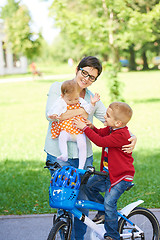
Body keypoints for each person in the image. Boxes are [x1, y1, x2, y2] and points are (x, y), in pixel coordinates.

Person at [44, 56, 137, 240]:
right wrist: (85, 112)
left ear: (94, 79)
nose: (86, 78)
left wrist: (133, 136)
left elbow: (114, 123)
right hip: (57, 154)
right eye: (84, 72)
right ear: (77, 69)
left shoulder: (92, 98)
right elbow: (52, 116)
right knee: (63, 204)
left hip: (82, 157)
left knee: (81, 205)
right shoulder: (59, 87)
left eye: (92, 77)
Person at [73, 101, 135, 240]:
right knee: (88, 185)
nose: (104, 117)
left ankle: (113, 235)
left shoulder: (121, 135)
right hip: (108, 174)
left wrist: (84, 128)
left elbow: (100, 142)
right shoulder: (112, 129)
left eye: (107, 115)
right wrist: (92, 127)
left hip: (121, 177)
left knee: (109, 203)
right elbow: (100, 134)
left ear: (118, 122)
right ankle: (103, 211)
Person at [47, 79, 100, 169]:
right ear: (62, 96)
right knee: (62, 136)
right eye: (70, 99)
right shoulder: (61, 101)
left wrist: (92, 103)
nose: (73, 101)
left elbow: (88, 110)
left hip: (78, 130)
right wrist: (54, 115)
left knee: (82, 145)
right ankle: (64, 154)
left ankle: (81, 166)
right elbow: (54, 110)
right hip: (67, 130)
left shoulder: (80, 101)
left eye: (75, 98)